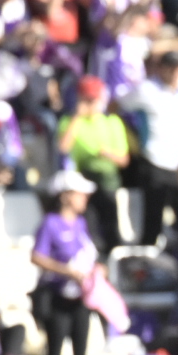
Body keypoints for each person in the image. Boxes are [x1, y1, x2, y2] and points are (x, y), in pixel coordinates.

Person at [121, 50, 178, 246]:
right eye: (170, 68)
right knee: (153, 220)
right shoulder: (146, 89)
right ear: (161, 69)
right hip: (155, 160)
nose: (175, 73)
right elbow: (121, 104)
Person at [30, 173, 100, 355]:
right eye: (80, 194)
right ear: (66, 196)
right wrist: (66, 271)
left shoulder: (81, 223)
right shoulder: (50, 223)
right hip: (57, 297)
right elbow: (37, 257)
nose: (85, 198)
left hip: (80, 297)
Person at [58, 76, 130, 254]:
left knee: (110, 213)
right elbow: (63, 147)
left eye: (93, 99)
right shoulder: (70, 121)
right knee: (88, 218)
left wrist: (107, 154)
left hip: (107, 178)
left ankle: (114, 251)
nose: (91, 103)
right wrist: (78, 116)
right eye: (86, 99)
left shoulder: (112, 122)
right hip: (83, 177)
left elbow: (124, 160)